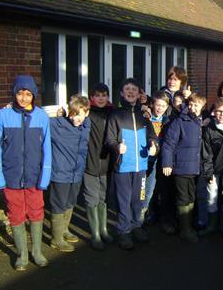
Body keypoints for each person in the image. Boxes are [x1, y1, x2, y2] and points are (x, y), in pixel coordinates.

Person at [0, 75, 51, 270]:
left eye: (28, 94)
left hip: (34, 176)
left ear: (33, 95)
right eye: (20, 93)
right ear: (14, 93)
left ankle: (37, 252)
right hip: (12, 176)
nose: (24, 98)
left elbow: (47, 149)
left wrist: (45, 176)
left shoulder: (41, 116)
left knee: (36, 213)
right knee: (16, 214)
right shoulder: (3, 115)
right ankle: (22, 255)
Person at [105, 78, 158, 250]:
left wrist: (153, 146)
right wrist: (116, 146)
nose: (130, 92)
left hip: (141, 166)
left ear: (139, 93)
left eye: (134, 89)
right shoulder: (116, 115)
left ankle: (136, 226)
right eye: (127, 89)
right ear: (121, 93)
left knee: (139, 199)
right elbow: (109, 140)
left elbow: (153, 136)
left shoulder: (144, 116)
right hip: (123, 167)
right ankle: (123, 230)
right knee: (124, 200)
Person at [162, 93, 206, 243]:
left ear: (202, 107)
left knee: (191, 196)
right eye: (191, 104)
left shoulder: (200, 122)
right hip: (181, 167)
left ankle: (189, 225)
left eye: (197, 105)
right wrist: (167, 163)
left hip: (195, 168)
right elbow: (168, 144)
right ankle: (185, 230)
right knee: (183, 197)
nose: (193, 107)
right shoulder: (179, 121)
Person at [49, 94, 91, 253]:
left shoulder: (87, 125)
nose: (75, 118)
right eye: (72, 113)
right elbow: (36, 120)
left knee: (71, 202)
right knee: (58, 204)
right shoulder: (56, 124)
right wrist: (12, 109)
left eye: (79, 114)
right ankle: (56, 239)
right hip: (60, 173)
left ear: (86, 113)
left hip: (76, 173)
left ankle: (64, 230)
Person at [199, 98, 223, 238]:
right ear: (214, 112)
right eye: (218, 111)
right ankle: (212, 225)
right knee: (211, 196)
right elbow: (206, 154)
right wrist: (208, 173)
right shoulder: (210, 129)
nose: (222, 115)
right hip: (214, 170)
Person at [83, 83, 114, 251]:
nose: (101, 98)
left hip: (107, 163)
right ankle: (95, 234)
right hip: (90, 161)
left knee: (103, 197)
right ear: (91, 98)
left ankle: (104, 229)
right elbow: (72, 117)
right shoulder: (87, 113)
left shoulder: (113, 112)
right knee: (91, 198)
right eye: (98, 95)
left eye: (104, 95)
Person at [141, 91, 171, 225]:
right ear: (152, 104)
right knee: (146, 189)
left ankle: (152, 213)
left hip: (162, 159)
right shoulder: (145, 118)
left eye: (163, 106)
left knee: (156, 189)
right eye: (158, 105)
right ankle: (142, 214)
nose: (159, 108)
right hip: (147, 159)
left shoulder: (168, 120)